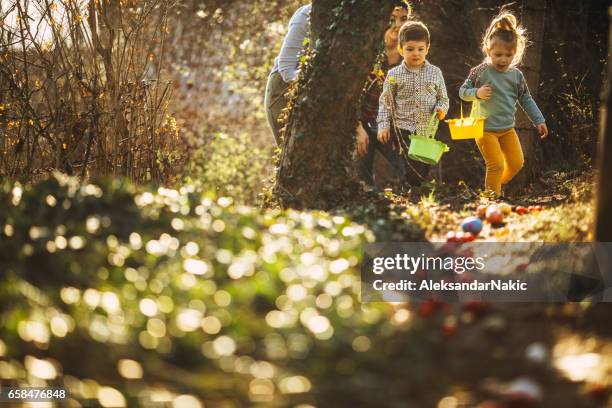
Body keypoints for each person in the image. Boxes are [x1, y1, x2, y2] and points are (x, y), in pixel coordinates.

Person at [459, 12, 548, 197]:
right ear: (488, 50)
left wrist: (539, 120)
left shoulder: (516, 75)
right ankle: (492, 199)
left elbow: (526, 99)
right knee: (496, 164)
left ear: (515, 53)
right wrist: (476, 93)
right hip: (484, 129)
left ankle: (492, 188)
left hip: (507, 129)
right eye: (498, 54)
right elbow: (462, 92)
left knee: (517, 163)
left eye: (509, 55)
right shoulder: (480, 71)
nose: (503, 59)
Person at [376, 21, 449, 186]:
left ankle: (423, 191)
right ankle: (410, 190)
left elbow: (443, 98)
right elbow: (385, 102)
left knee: (426, 165)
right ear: (401, 49)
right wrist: (383, 125)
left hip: (427, 130)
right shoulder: (394, 74)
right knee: (410, 166)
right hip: (403, 128)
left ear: (427, 49)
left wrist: (441, 108)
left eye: (420, 49)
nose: (415, 53)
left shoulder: (435, 73)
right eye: (410, 49)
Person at [354, 1, 412, 189]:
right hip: (362, 125)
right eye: (392, 19)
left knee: (411, 175)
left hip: (385, 127)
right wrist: (357, 128)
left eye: (403, 19)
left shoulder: (410, 59)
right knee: (362, 183)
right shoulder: (368, 53)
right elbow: (350, 97)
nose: (398, 25)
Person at [264, 3, 311, 145]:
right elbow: (286, 70)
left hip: (307, 89)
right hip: (282, 90)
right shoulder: (307, 15)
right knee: (291, 156)